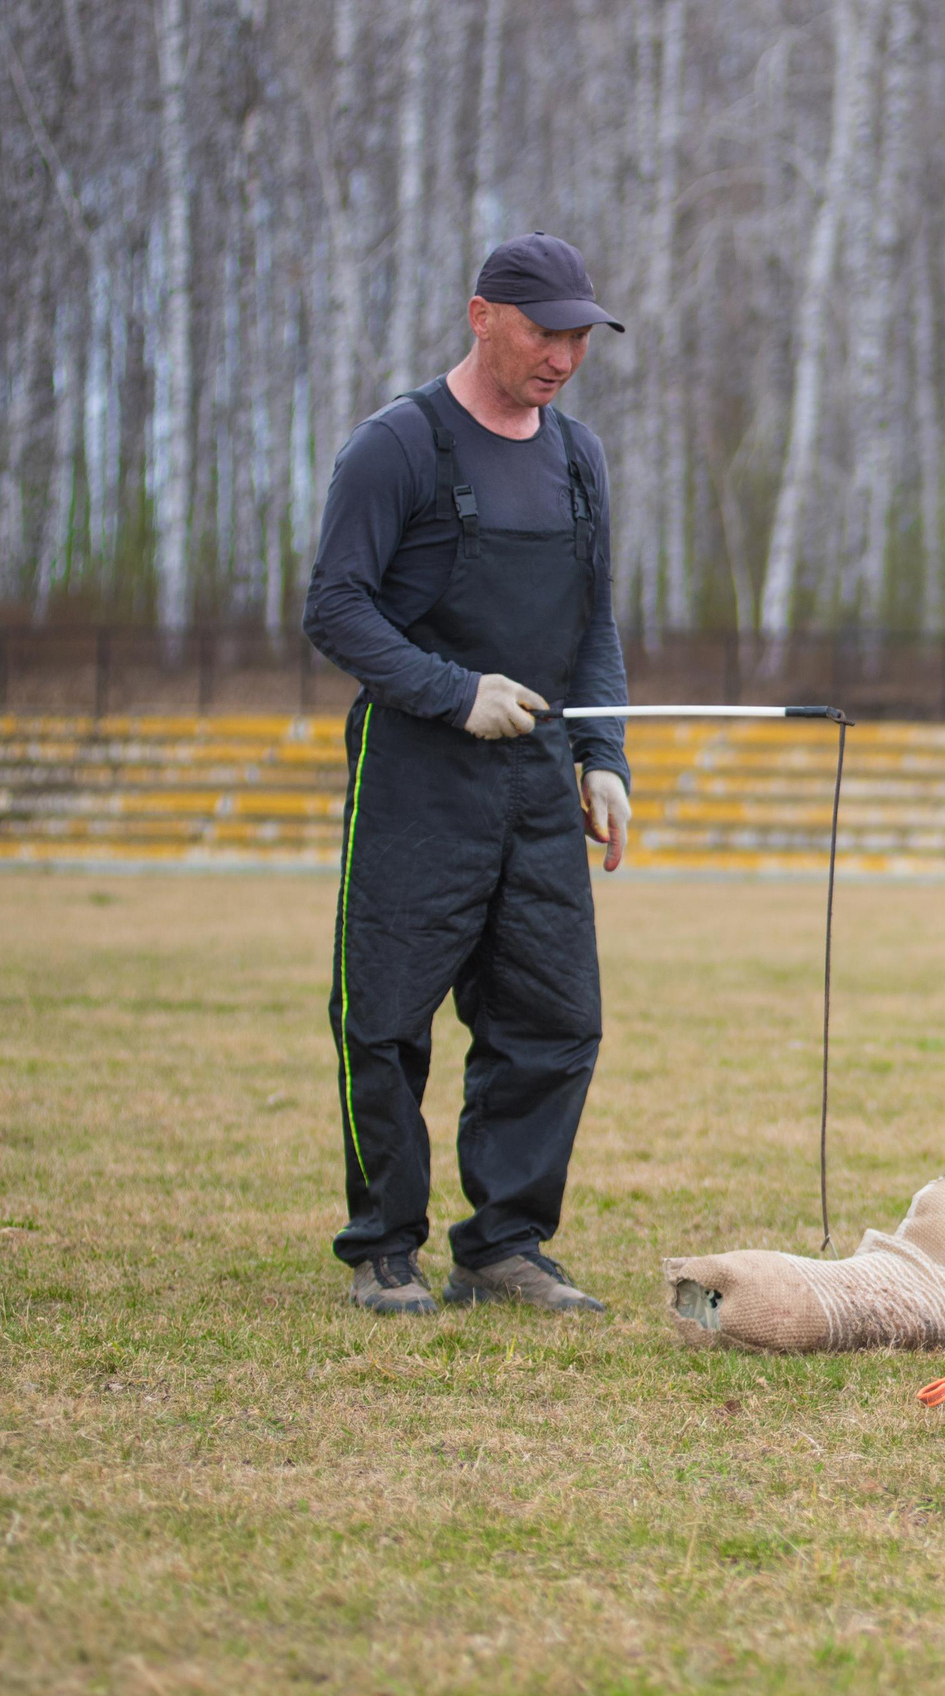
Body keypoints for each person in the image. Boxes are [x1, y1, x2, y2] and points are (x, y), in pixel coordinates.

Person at [303, 233, 635, 1317]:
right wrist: (455, 691)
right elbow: (336, 608)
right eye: (545, 331)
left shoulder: (577, 455)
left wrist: (602, 756)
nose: (564, 356)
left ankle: (503, 1244)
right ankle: (382, 1248)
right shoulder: (395, 447)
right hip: (418, 775)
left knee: (553, 1019)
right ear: (481, 314)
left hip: (538, 781)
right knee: (385, 1019)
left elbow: (595, 623)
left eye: (579, 335)